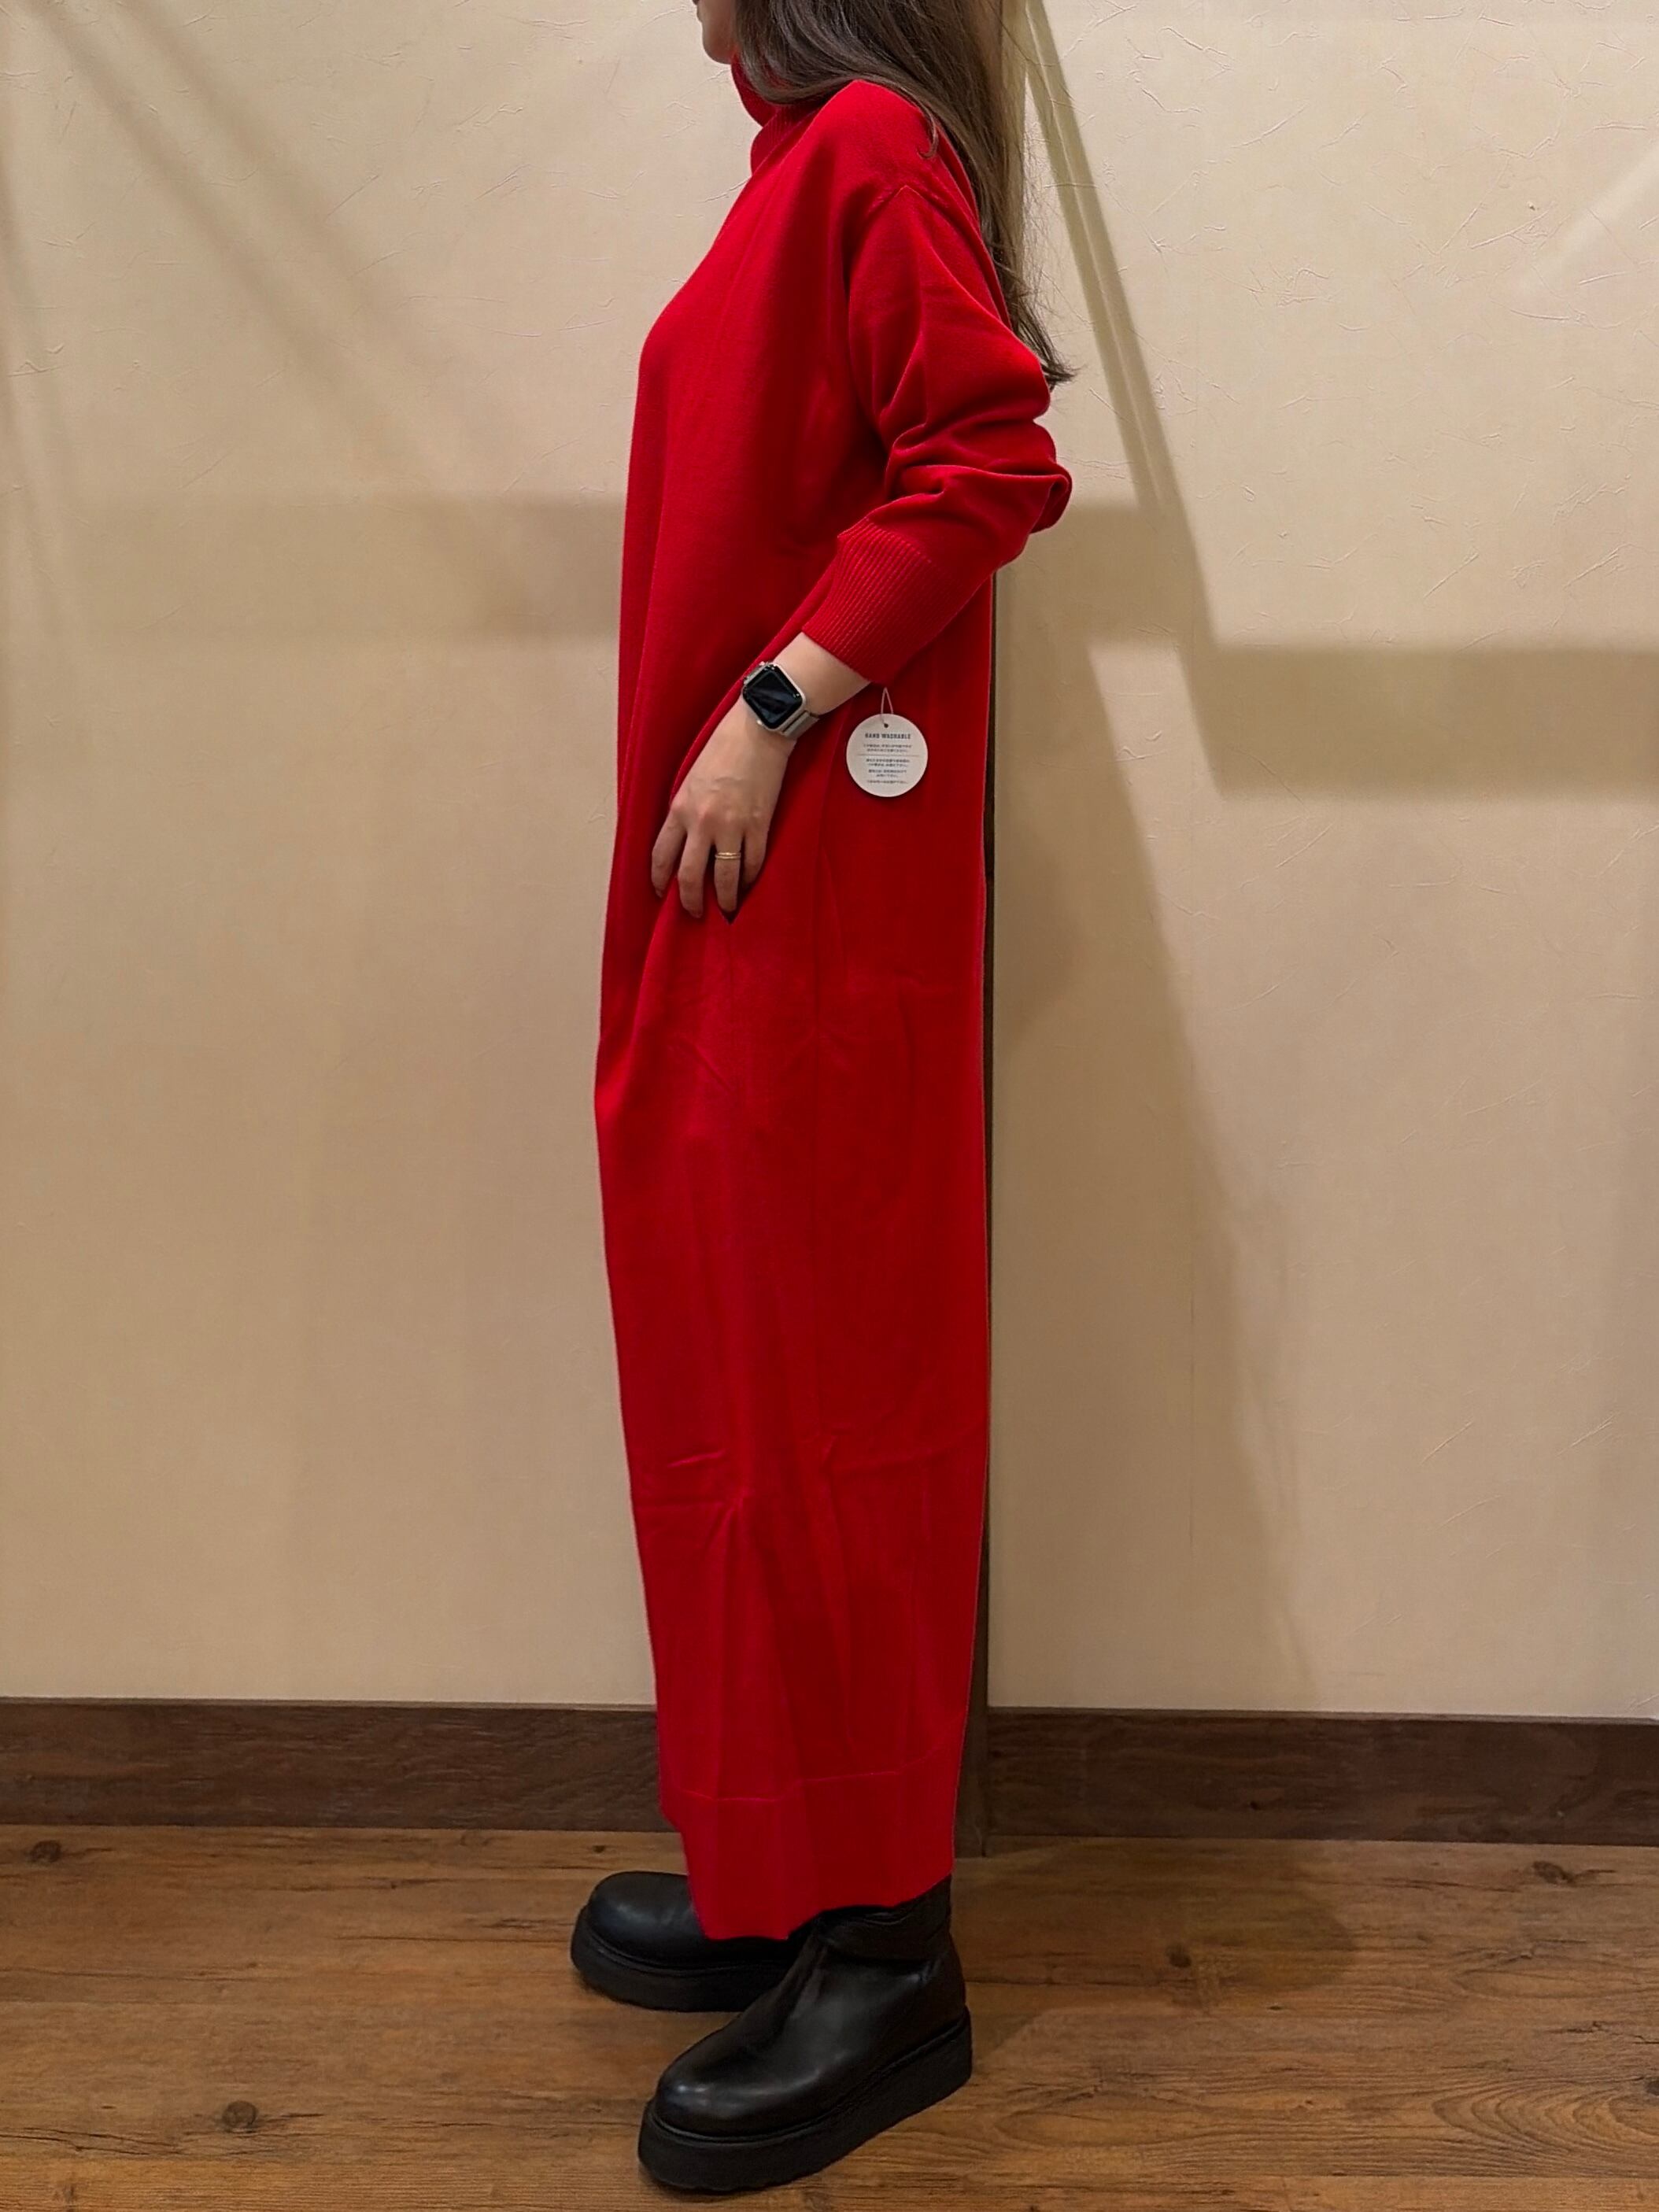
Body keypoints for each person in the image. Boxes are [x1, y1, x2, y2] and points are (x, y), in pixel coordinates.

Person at [577, 0, 1073, 2189]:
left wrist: (770, 710)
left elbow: (989, 457)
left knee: (831, 1382)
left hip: (807, 880)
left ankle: (889, 1948)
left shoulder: (868, 147)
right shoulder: (795, 164)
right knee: (740, 1371)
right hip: (739, 873)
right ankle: (789, 1861)